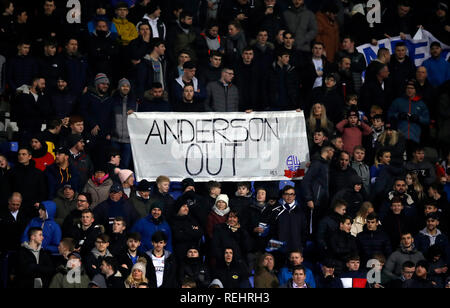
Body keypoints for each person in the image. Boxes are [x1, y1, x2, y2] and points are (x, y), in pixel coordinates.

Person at [301, 146, 335, 234]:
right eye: (333, 152)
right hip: (315, 202)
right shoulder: (317, 164)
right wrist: (309, 199)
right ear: (328, 151)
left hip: (322, 202)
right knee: (312, 228)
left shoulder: (325, 164)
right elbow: (306, 181)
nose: (333, 154)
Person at [388, 79, 430, 148]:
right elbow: (389, 115)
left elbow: (427, 120)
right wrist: (398, 115)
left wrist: (418, 118)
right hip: (399, 137)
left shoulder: (421, 104)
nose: (409, 90)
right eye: (408, 88)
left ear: (416, 90)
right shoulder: (398, 101)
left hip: (415, 137)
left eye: (412, 88)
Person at [111, 78, 136, 170]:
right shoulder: (112, 100)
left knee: (125, 165)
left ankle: (124, 183)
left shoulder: (134, 102)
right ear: (119, 87)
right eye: (123, 86)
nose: (125, 88)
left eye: (127, 86)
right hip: (114, 138)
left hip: (128, 140)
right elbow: (109, 118)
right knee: (114, 165)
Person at [170, 194, 204, 263]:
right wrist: (192, 231)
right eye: (183, 206)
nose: (186, 208)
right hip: (179, 256)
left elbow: (200, 233)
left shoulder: (192, 219)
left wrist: (184, 231)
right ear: (178, 208)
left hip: (193, 255)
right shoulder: (172, 221)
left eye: (187, 206)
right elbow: (177, 236)